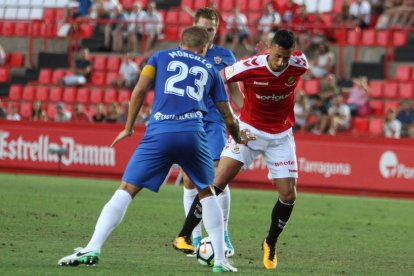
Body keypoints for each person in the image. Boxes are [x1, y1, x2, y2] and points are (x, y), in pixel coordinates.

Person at [57, 26, 255, 272]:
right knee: (207, 193)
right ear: (205, 48)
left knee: (127, 190)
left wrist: (128, 127)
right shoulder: (211, 71)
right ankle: (221, 262)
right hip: (193, 134)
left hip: (160, 131)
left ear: (180, 42)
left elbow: (139, 89)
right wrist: (238, 137)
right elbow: (227, 115)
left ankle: (92, 247)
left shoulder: (160, 57)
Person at [173, 29, 308, 270]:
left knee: (289, 195)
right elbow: (217, 78)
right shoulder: (248, 67)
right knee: (217, 182)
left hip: (280, 136)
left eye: (285, 58)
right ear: (269, 50)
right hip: (248, 131)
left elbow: (300, 64)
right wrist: (228, 117)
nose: (280, 63)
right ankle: (183, 234)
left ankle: (270, 243)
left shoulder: (299, 63)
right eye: (276, 56)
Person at [173, 7, 244, 257]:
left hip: (214, 123)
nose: (207, 32)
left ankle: (223, 234)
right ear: (194, 25)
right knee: (190, 179)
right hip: (187, 121)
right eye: (203, 27)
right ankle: (194, 237)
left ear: (216, 29)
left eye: (211, 29)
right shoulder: (180, 53)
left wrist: (249, 117)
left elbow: (234, 91)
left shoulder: (225, 56)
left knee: (217, 179)